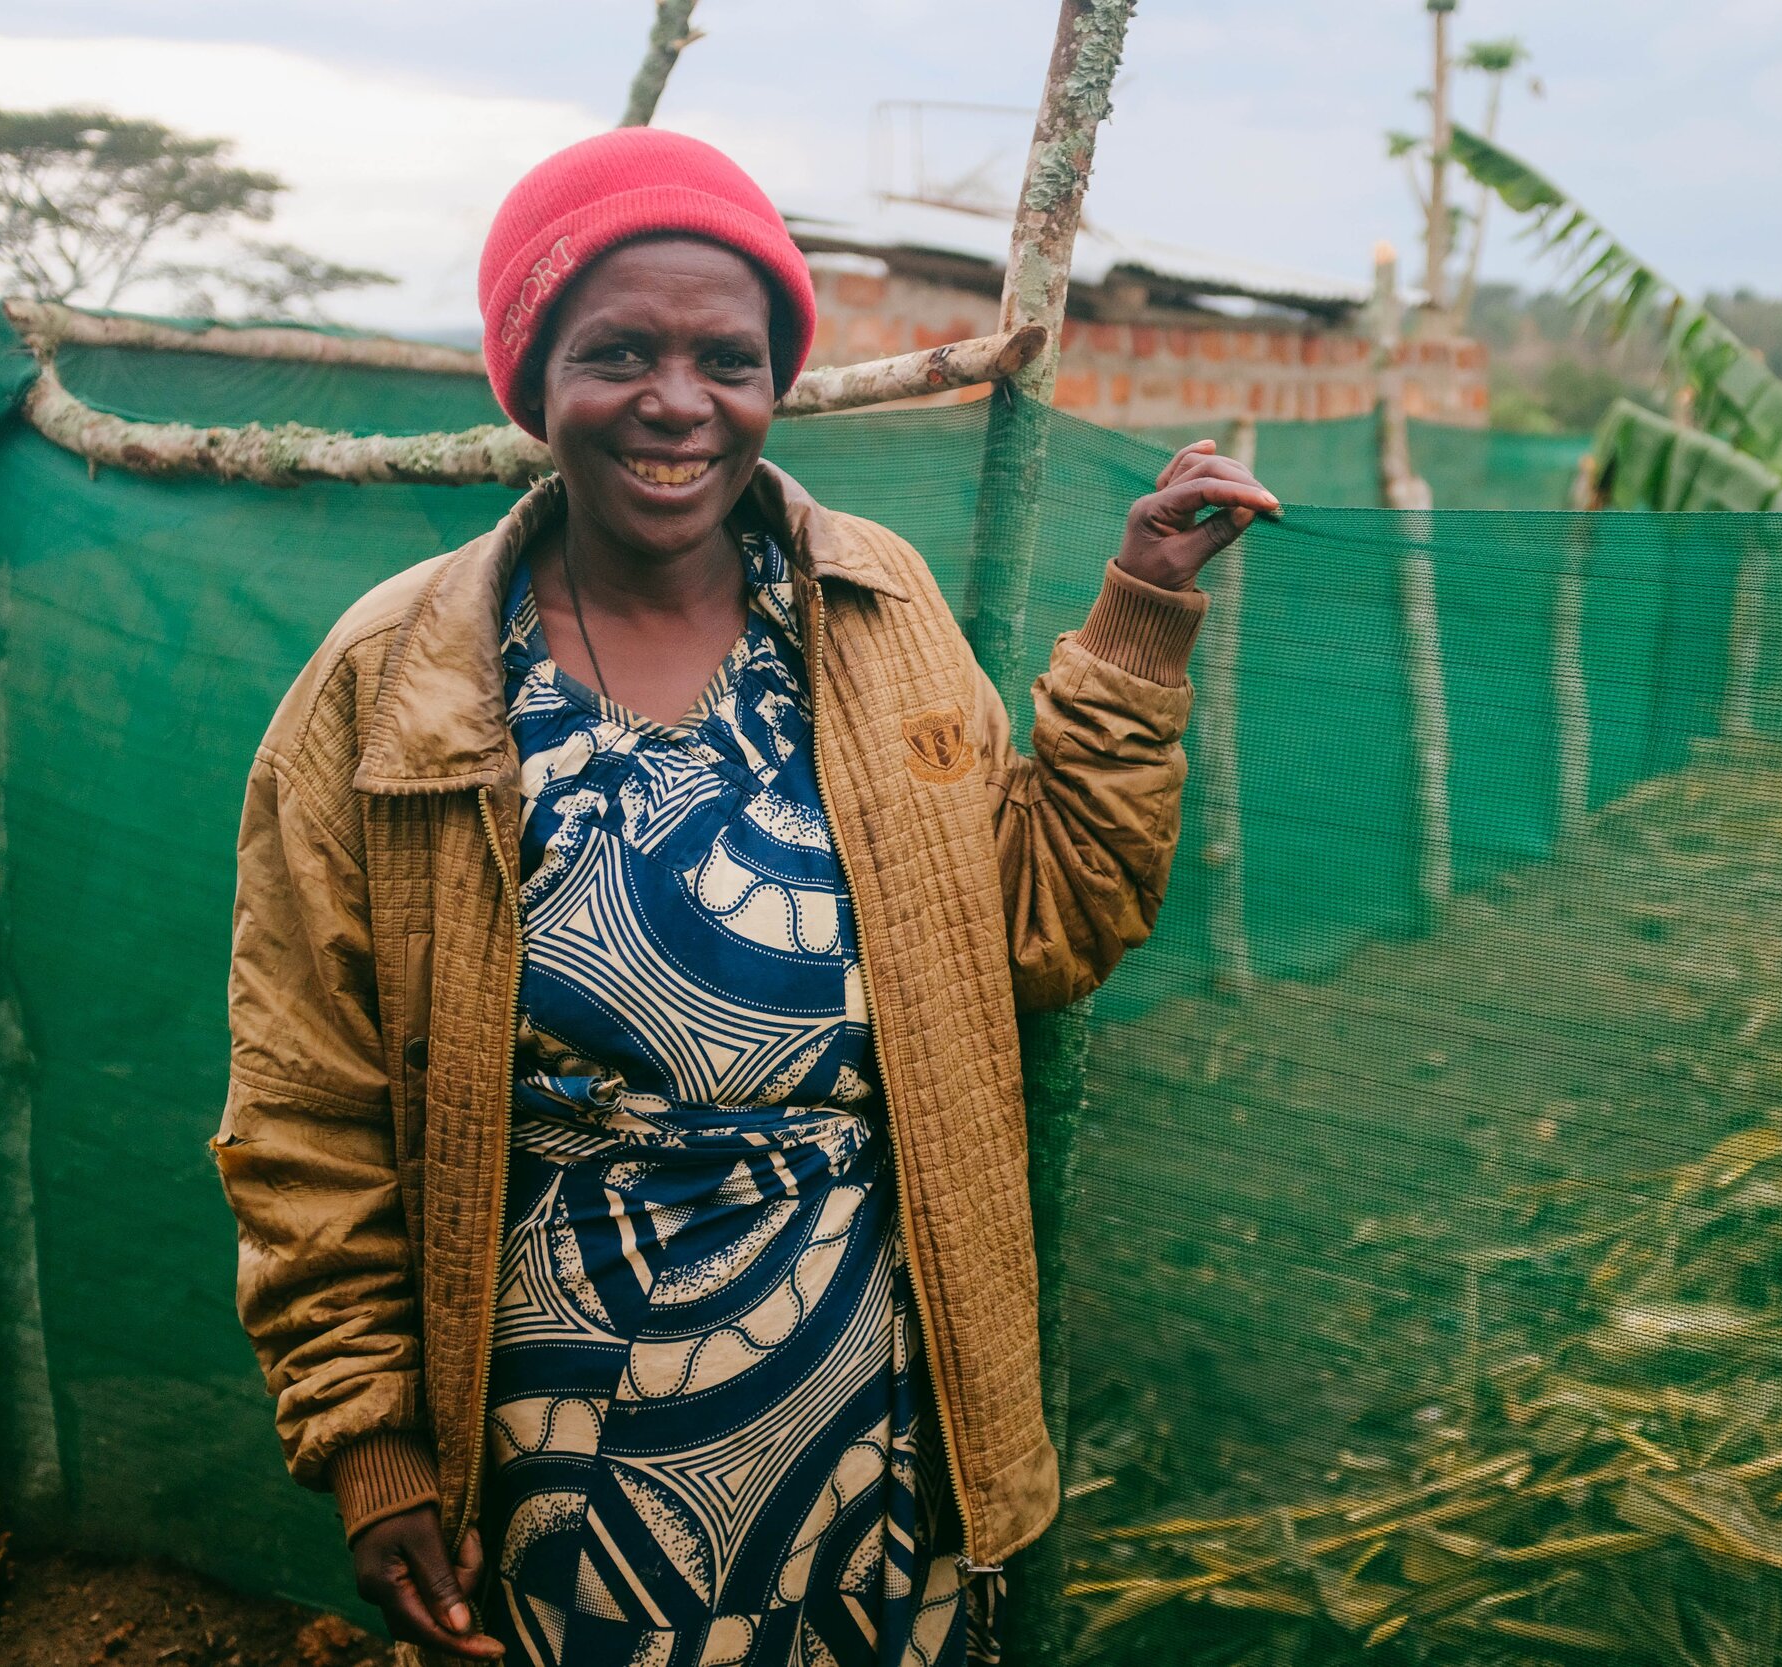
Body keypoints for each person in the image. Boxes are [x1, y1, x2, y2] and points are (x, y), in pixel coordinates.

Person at [213, 127, 1275, 1667]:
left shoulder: (873, 615)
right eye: (618, 352)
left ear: (775, 379)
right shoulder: (397, 681)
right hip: (555, 1430)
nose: (677, 401)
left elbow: (1044, 925)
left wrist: (1142, 613)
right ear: (534, 376)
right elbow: (303, 1092)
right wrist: (370, 1436)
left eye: (729, 355)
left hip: (879, 1394)